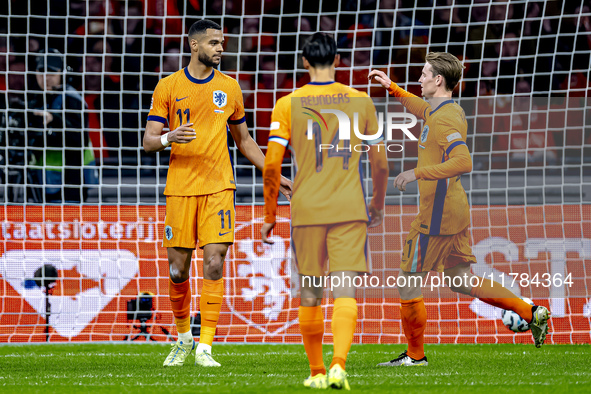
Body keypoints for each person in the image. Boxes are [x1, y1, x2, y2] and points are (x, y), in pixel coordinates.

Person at [368, 53, 550, 367]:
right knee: (460, 279)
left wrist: (417, 173)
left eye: (424, 74)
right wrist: (392, 88)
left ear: (438, 80)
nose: (421, 78)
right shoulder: (441, 110)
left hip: (436, 215)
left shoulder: (446, 118)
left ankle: (415, 356)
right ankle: (529, 312)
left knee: (408, 280)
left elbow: (463, 161)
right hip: (453, 208)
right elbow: (420, 107)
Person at [143, 19, 292, 368]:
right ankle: (182, 340)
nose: (220, 48)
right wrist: (169, 138)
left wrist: (273, 174)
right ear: (194, 46)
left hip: (219, 187)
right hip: (180, 188)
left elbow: (244, 141)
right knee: (178, 271)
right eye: (213, 43)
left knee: (214, 263)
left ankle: (205, 347)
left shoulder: (230, 87)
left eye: (222, 43)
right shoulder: (168, 86)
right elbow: (149, 140)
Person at [262, 33, 389, 389]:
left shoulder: (288, 103)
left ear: (304, 62)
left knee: (310, 292)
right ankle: (338, 364)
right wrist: (377, 203)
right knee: (345, 290)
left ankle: (317, 372)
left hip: (307, 209)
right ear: (338, 60)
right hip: (350, 208)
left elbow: (272, 165)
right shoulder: (361, 101)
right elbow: (380, 164)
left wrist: (270, 214)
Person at [30, 49, 97, 203]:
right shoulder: (37, 98)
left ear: (63, 73)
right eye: (41, 73)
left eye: (52, 73)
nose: (45, 78)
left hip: (69, 183)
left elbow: (79, 138)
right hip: (42, 180)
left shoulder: (72, 99)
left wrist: (53, 120)